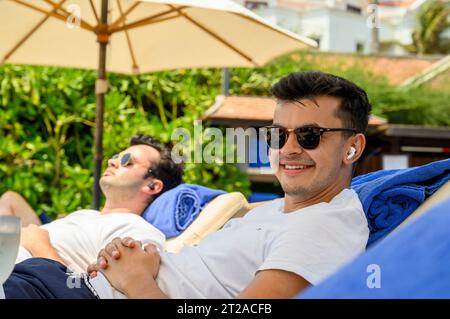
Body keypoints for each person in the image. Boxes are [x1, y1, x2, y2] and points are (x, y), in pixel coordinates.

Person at [2, 71, 371, 299]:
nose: (289, 149)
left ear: (352, 147)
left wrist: (135, 280)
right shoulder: (283, 210)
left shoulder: (325, 225)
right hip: (64, 283)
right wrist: (138, 257)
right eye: (277, 134)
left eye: (309, 136)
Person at [0, 134, 183, 275]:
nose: (112, 162)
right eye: (115, 156)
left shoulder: (134, 231)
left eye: (127, 161)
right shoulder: (88, 215)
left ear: (152, 185)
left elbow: (91, 291)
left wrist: (40, 246)